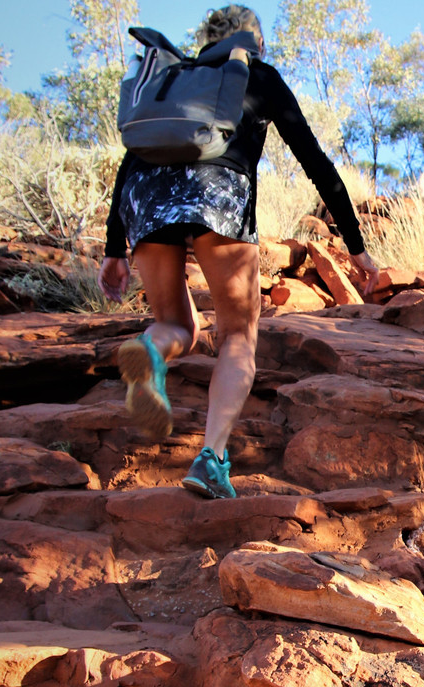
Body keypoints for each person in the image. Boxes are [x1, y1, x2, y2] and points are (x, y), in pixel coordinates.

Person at [99, 4, 380, 500]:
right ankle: (211, 459)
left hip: (146, 197)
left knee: (177, 326)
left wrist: (113, 248)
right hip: (218, 192)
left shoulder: (175, 77)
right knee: (237, 336)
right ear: (255, 42)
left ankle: (150, 350)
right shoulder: (255, 74)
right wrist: (355, 245)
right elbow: (314, 159)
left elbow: (132, 156)